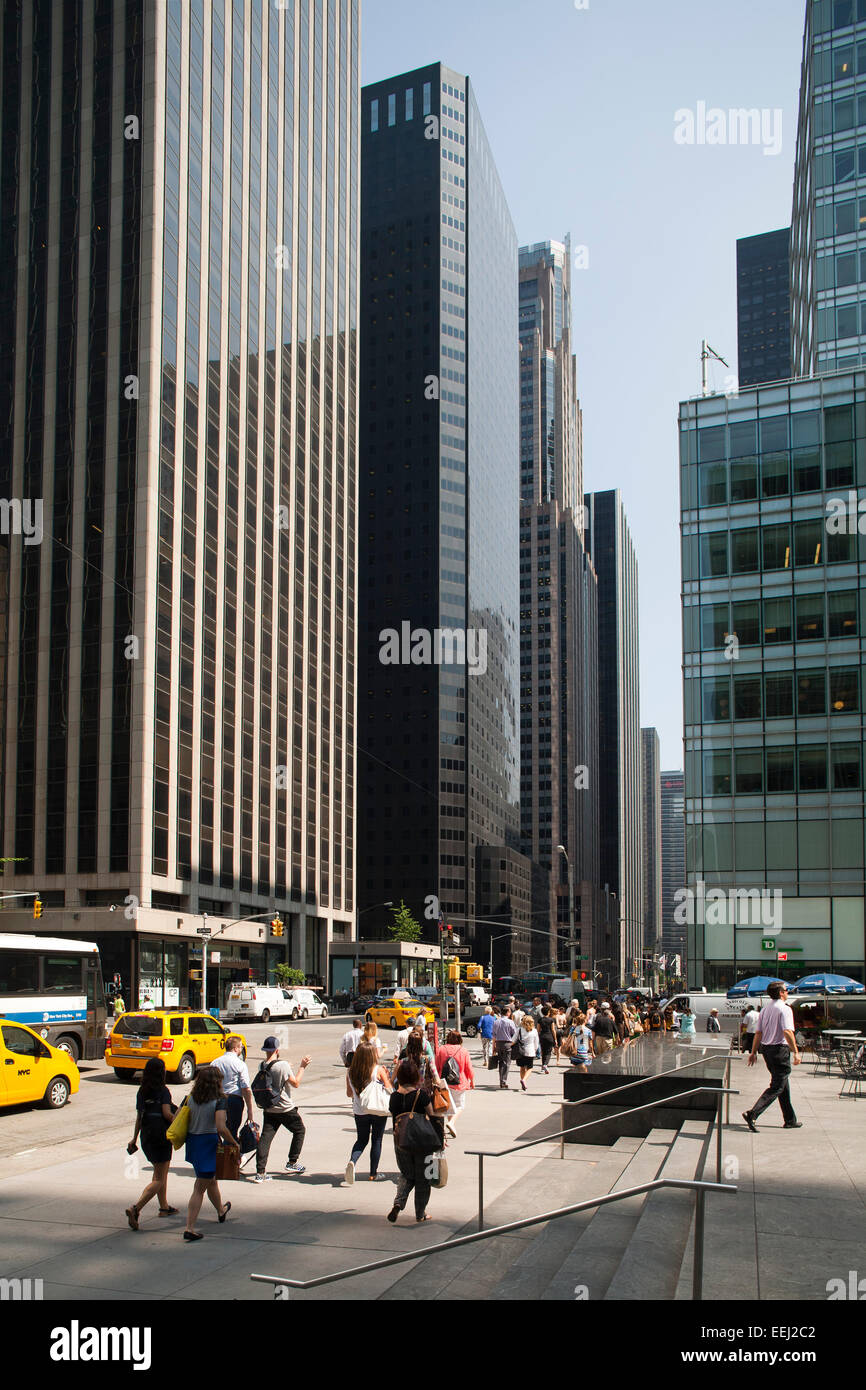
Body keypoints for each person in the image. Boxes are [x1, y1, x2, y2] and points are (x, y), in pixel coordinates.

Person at [182, 1066, 239, 1241]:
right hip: (208, 1143)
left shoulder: (190, 1098)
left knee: (210, 1180)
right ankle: (189, 1228)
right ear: (217, 1083)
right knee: (200, 1187)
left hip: (193, 1142)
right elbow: (221, 1127)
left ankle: (221, 1210)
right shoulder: (219, 1100)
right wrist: (234, 1142)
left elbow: (178, 1117)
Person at [125, 1057, 177, 1229]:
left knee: (160, 1172)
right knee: (159, 1178)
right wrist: (181, 1116)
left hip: (146, 1136)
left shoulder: (142, 1091)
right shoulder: (163, 1091)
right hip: (161, 1135)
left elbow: (139, 1117)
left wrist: (134, 1138)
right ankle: (136, 1208)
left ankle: (164, 1207)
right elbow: (166, 1114)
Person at [743, 982, 802, 1132]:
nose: (788, 993)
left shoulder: (765, 1009)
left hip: (767, 1050)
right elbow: (788, 1032)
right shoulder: (785, 1009)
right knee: (777, 1086)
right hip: (779, 1050)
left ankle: (790, 1119)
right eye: (786, 991)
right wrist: (795, 1051)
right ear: (781, 993)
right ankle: (753, 1113)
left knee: (782, 1085)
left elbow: (758, 1033)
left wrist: (753, 1052)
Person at [254, 1036, 311, 1181]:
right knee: (299, 1130)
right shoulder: (282, 1065)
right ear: (277, 1050)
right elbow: (295, 1083)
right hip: (285, 1108)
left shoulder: (262, 1065)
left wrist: (287, 1067)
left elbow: (274, 1071)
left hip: (269, 1108)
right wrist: (302, 1067)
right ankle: (292, 1162)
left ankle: (260, 1172)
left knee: (266, 1139)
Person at [387, 1059, 437, 1224]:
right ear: (416, 1077)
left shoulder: (394, 1098)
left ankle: (398, 1203)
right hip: (423, 1142)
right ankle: (420, 1213)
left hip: (401, 1142)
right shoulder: (421, 1095)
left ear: (399, 1077)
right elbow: (433, 1116)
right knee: (424, 1178)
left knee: (407, 1175)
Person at [345, 1041, 393, 1183]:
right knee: (376, 1140)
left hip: (360, 1110)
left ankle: (352, 1161)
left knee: (361, 1140)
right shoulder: (378, 1070)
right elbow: (389, 1088)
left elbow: (349, 1094)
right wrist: (387, 1077)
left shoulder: (350, 1072)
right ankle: (373, 1173)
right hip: (377, 1109)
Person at [210, 1035, 254, 1142]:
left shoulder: (215, 1062)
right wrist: (250, 1109)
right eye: (241, 1047)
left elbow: (210, 1084)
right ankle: (230, 1155)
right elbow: (245, 1088)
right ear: (235, 1048)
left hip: (217, 1099)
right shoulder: (240, 1064)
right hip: (233, 1100)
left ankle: (220, 1155)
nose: (241, 1050)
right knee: (231, 1131)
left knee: (217, 1130)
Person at [434, 1029, 475, 1137]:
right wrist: (472, 1081)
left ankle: (451, 1125)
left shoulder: (441, 1049)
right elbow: (468, 1068)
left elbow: (436, 1065)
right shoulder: (463, 1050)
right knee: (460, 1105)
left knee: (448, 1105)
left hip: (443, 1082)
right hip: (459, 1081)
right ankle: (451, 1123)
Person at [492, 1008, 519, 1089]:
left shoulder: (496, 1022)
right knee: (507, 1063)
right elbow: (514, 1034)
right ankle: (503, 1081)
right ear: (508, 1013)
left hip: (499, 1043)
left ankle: (501, 1080)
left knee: (501, 1062)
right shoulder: (510, 1022)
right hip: (507, 1043)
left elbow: (494, 1035)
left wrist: (494, 1046)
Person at [515, 1014, 541, 1091]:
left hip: (520, 1051)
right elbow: (536, 1042)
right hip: (530, 1051)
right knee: (530, 1068)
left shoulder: (519, 1029)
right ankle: (524, 1080)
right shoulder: (534, 1031)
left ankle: (523, 1080)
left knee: (522, 1067)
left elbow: (513, 1040)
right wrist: (535, 1050)